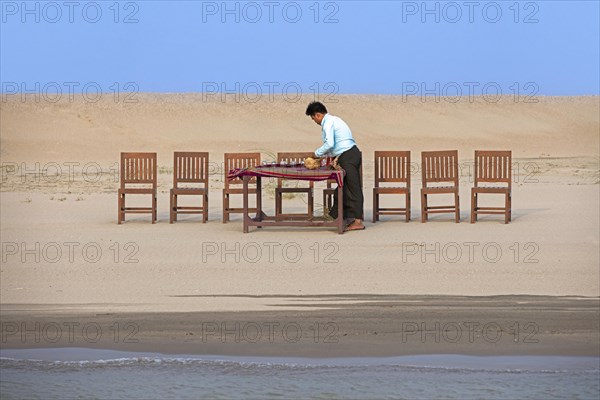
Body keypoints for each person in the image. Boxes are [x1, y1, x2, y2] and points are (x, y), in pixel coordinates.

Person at [305, 101, 365, 232]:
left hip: (349, 156)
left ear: (318, 115)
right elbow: (340, 144)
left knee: (354, 189)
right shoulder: (335, 120)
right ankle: (337, 217)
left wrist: (316, 154)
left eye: (313, 118)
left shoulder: (328, 123)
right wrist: (336, 159)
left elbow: (330, 144)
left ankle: (358, 221)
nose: (314, 121)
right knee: (342, 189)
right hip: (348, 155)